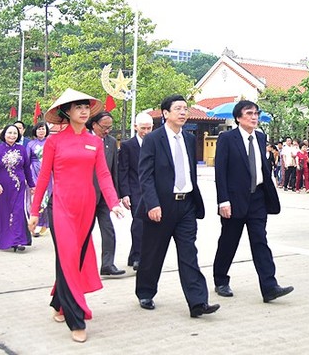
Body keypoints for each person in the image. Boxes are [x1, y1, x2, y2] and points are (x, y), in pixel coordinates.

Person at [28, 88, 125, 343]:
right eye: (77, 107)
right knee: (68, 257)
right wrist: (34, 211)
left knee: (75, 259)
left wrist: (113, 202)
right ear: (67, 112)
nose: (83, 111)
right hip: (61, 207)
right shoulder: (54, 142)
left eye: (85, 107)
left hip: (87, 209)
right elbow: (43, 178)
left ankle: (58, 301)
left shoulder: (95, 142)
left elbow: (103, 175)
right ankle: (76, 317)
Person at [135, 95, 219, 318]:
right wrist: (152, 204)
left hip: (186, 206)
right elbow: (145, 176)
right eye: (178, 109)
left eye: (185, 108)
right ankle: (145, 291)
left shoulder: (190, 139)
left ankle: (198, 302)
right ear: (165, 113)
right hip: (161, 207)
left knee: (189, 254)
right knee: (153, 254)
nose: (183, 112)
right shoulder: (153, 139)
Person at [213, 100, 293, 303]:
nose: (254, 117)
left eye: (256, 113)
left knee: (260, 241)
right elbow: (220, 172)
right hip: (234, 199)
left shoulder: (260, 137)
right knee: (229, 241)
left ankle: (269, 287)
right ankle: (221, 279)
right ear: (238, 117)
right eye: (249, 113)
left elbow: (261, 167)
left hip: (257, 198)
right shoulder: (227, 139)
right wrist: (223, 201)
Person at [87, 111, 125, 276]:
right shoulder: (84, 140)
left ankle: (107, 264)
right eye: (105, 127)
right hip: (86, 195)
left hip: (105, 196)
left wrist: (115, 196)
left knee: (108, 229)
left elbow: (113, 171)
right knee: (84, 232)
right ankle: (80, 266)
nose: (108, 131)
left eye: (110, 127)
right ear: (94, 124)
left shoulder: (110, 142)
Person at [118, 111, 154, 271]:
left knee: (150, 224)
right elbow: (123, 170)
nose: (146, 132)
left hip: (152, 190)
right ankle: (138, 257)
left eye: (149, 128)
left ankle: (134, 255)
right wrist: (124, 194)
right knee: (139, 223)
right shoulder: (127, 146)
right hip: (135, 190)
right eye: (143, 128)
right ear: (135, 127)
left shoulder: (155, 143)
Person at [0, 124, 36, 252]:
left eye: (15, 133)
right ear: (4, 134)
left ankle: (19, 241)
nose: (12, 136)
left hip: (19, 187)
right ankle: (6, 241)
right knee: (4, 213)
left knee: (18, 212)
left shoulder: (21, 149)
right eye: (9, 133)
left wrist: (32, 185)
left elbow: (26, 168)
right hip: (2, 188)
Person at [26, 121, 51, 237]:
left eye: (43, 129)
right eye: (39, 129)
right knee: (35, 197)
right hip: (34, 172)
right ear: (35, 131)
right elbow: (27, 160)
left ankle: (44, 224)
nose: (41, 131)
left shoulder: (51, 142)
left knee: (46, 199)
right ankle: (33, 224)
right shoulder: (30, 144)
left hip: (48, 173)